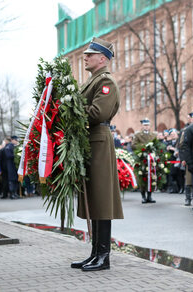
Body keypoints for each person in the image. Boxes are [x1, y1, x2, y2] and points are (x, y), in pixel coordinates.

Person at [71, 37, 124, 272]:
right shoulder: (91, 82)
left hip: (99, 141)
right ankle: (95, 253)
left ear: (102, 58)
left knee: (102, 198)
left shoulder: (106, 82)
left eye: (90, 54)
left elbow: (96, 112)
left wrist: (70, 107)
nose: (86, 57)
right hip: (90, 142)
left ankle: (104, 255)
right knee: (93, 198)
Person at [132, 118, 157, 203]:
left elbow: (157, 145)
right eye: (145, 125)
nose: (146, 127)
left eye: (148, 125)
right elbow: (133, 145)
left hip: (151, 158)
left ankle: (149, 196)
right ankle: (143, 196)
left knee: (151, 176)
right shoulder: (138, 135)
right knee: (142, 177)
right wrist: (143, 146)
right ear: (142, 126)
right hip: (142, 158)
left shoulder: (153, 135)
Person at [180, 112, 193, 206]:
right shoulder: (186, 130)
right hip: (189, 157)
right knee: (189, 180)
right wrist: (183, 158)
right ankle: (188, 198)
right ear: (190, 119)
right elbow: (182, 145)